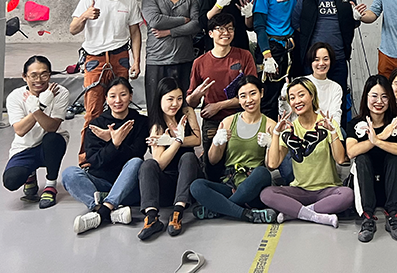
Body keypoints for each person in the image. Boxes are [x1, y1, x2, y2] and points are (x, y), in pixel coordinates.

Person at [69, 0, 142, 161]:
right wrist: (85, 16)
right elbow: (73, 29)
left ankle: (120, 154)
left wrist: (137, 61)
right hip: (95, 59)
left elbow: (135, 33)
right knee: (93, 110)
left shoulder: (129, 1)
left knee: (121, 107)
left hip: (120, 58)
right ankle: (87, 157)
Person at [261, 77, 354, 227]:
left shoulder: (327, 123)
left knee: (347, 195)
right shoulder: (289, 129)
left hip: (327, 190)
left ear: (312, 96)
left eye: (301, 95)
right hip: (300, 191)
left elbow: (340, 160)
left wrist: (332, 131)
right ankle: (316, 215)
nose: (297, 101)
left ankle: (298, 213)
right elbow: (272, 164)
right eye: (292, 98)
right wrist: (276, 134)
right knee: (267, 194)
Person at [62, 77, 147, 233]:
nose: (118, 100)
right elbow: (94, 161)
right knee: (69, 173)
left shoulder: (141, 122)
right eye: (113, 96)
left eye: (123, 94)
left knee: (136, 162)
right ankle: (108, 210)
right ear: (106, 98)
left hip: (128, 187)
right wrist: (113, 144)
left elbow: (137, 154)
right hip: (100, 183)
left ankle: (101, 212)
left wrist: (118, 143)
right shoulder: (96, 124)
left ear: (131, 96)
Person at [189, 75, 277, 224]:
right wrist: (216, 142)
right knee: (196, 186)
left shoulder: (270, 125)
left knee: (262, 173)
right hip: (230, 184)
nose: (249, 100)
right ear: (238, 99)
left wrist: (270, 145)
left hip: (253, 186)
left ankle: (219, 208)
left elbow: (270, 165)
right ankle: (246, 214)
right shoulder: (229, 121)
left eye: (253, 93)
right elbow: (213, 159)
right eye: (243, 96)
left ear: (261, 93)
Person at [187, 13, 257, 169]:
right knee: (212, 166)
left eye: (230, 29)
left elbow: (254, 93)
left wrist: (219, 105)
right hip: (213, 121)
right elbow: (190, 102)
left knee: (242, 164)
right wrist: (197, 94)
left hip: (242, 117)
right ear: (211, 33)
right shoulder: (200, 62)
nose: (226, 33)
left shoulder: (244, 56)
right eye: (220, 29)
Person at [252, 0, 313, 117]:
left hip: (291, 47)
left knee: (292, 94)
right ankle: (269, 138)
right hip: (272, 48)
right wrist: (267, 55)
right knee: (269, 97)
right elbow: (259, 26)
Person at [347, 75, 397, 242]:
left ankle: (394, 217)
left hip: (389, 186)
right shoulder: (355, 124)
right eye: (374, 96)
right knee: (362, 158)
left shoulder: (396, 124)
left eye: (384, 97)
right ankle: (367, 218)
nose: (379, 101)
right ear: (366, 97)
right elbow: (351, 152)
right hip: (365, 187)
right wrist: (380, 137)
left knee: (395, 157)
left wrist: (378, 142)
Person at [137, 77, 201, 240]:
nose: (175, 104)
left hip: (188, 182)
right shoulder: (157, 127)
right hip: (166, 186)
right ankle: (152, 218)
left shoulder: (187, 113)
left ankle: (177, 213)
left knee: (188, 157)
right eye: (170, 99)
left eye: (179, 99)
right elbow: (160, 163)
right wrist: (177, 142)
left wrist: (172, 140)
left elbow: (197, 139)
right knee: (148, 164)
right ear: (160, 100)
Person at [292, 0, 357, 109]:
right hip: (313, 60)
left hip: (339, 58)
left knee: (338, 102)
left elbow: (353, 22)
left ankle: (338, 132)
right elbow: (297, 23)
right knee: (310, 101)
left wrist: (357, 17)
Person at [3, 56, 70, 209]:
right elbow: (20, 130)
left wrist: (37, 108)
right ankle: (30, 175)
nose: (39, 79)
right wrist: (40, 105)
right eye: (33, 75)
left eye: (44, 74)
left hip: (50, 145)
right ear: (24, 76)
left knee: (52, 139)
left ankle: (50, 185)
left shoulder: (60, 92)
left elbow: (52, 127)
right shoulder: (15, 96)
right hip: (24, 147)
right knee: (11, 181)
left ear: (50, 75)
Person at [142, 0, 200, 114]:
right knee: (156, 109)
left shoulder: (191, 0)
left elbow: (195, 25)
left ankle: (186, 139)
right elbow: (155, 20)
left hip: (184, 60)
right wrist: (183, 20)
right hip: (158, 60)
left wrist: (169, 32)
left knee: (184, 109)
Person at [279, 42, 343, 124]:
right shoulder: (300, 82)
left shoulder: (335, 87)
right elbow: (288, 117)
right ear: (311, 61)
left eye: (325, 59)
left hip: (325, 130)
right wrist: (284, 98)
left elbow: (336, 116)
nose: (321, 63)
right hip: (299, 129)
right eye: (316, 59)